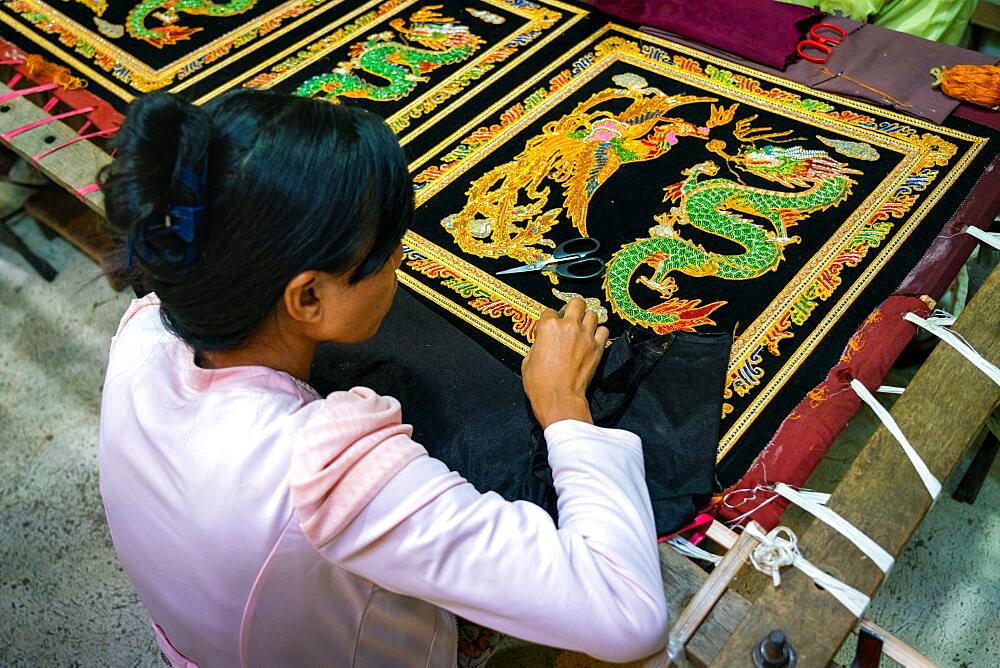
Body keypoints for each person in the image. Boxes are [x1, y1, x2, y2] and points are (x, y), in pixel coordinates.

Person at [98, 89, 668, 667]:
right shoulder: (321, 471)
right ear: (309, 295)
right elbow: (628, 613)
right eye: (384, 246)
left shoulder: (146, 332)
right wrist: (564, 403)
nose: (401, 256)